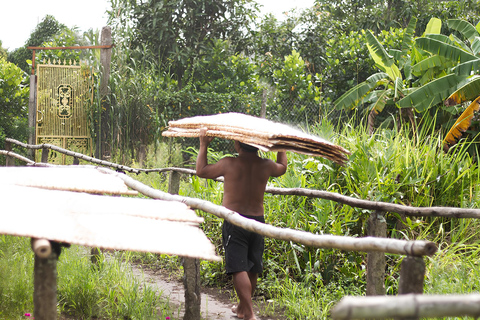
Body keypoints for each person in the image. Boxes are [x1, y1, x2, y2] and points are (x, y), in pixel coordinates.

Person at [196, 128, 288, 320]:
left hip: (235, 220)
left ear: (237, 145)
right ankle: (242, 308)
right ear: (258, 146)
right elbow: (282, 167)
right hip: (258, 222)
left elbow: (201, 171)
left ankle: (249, 313)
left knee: (238, 267)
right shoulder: (266, 165)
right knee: (252, 266)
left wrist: (204, 144)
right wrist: (281, 147)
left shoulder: (229, 163)